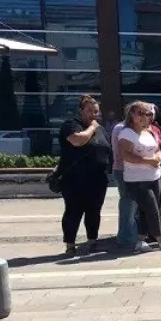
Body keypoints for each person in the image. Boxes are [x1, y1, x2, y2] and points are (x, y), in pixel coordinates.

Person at [117, 101, 161, 252]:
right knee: (152, 208)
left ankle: (140, 240)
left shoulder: (149, 131)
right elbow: (126, 155)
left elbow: (157, 149)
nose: (147, 117)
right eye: (142, 113)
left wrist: (158, 157)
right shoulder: (126, 133)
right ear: (133, 116)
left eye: (149, 114)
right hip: (137, 179)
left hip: (154, 176)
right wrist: (149, 161)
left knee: (147, 209)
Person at [57, 95, 112, 255]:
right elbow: (77, 141)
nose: (93, 115)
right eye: (89, 111)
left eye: (96, 111)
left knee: (94, 211)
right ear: (81, 111)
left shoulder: (101, 129)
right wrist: (92, 128)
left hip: (98, 179)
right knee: (73, 211)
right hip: (75, 180)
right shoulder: (71, 125)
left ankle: (92, 241)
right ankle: (70, 244)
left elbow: (107, 150)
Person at [111, 118, 139, 250]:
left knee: (134, 205)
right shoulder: (121, 128)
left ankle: (132, 235)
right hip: (123, 171)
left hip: (135, 171)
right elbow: (123, 154)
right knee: (128, 204)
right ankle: (126, 238)